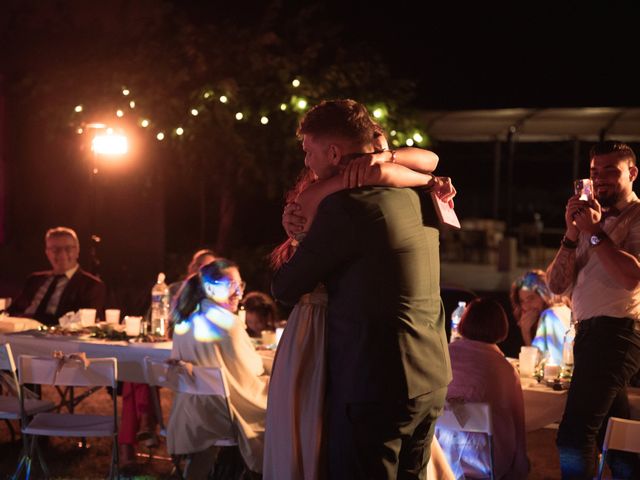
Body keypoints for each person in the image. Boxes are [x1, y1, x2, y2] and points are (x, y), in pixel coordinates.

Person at [269, 99, 452, 479]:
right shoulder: (421, 192)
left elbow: (286, 286)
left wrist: (300, 237)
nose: (307, 162)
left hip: (375, 382)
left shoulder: (347, 207)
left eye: (309, 151)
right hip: (431, 374)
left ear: (333, 152)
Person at [547, 141, 640, 479]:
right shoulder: (590, 220)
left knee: (574, 435)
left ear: (632, 173)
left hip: (617, 333)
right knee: (617, 438)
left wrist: (596, 233)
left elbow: (631, 278)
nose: (600, 179)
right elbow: (556, 286)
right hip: (588, 335)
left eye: (610, 171)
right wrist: (573, 233)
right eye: (593, 172)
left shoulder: (635, 215)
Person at [167, 258, 268, 479]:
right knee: (287, 401)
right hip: (223, 413)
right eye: (231, 285)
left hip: (190, 414)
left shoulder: (183, 320)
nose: (239, 293)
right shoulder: (228, 324)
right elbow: (251, 369)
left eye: (240, 285)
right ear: (210, 286)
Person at [436, 297, 529, 479]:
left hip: (440, 455)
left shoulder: (444, 353)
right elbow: (518, 422)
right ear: (501, 327)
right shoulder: (505, 369)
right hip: (487, 462)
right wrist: (521, 466)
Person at [8, 226, 106, 325]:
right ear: (47, 253)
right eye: (55, 249)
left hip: (56, 338)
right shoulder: (34, 280)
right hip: (19, 333)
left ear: (77, 251)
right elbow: (11, 311)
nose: (62, 254)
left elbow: (83, 323)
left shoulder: (91, 286)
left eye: (68, 248)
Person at [510, 269, 572, 365]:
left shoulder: (549, 315)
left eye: (531, 298)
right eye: (522, 301)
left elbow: (537, 364)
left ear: (545, 295)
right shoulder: (562, 310)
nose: (526, 306)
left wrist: (525, 332)